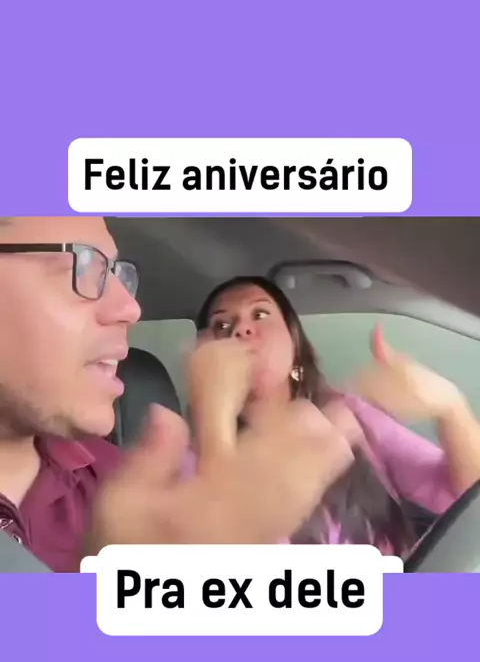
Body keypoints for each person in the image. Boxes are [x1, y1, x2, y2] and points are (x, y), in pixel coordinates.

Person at [0, 217, 356, 571]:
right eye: (84, 267)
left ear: (295, 338)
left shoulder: (119, 482)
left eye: (115, 274)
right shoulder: (159, 474)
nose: (131, 309)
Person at [190, 275, 480, 556]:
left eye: (260, 314)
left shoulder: (351, 412)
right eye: (222, 325)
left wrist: (451, 407)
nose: (241, 329)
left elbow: (465, 499)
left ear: (293, 338)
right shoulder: (195, 460)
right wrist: (214, 412)